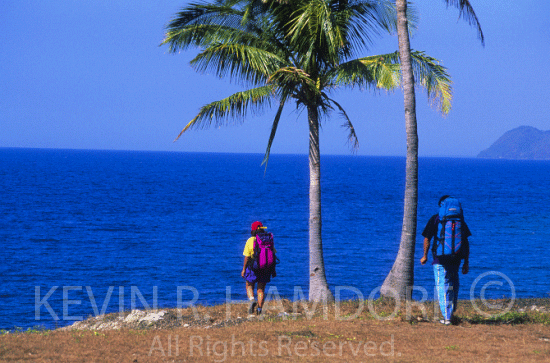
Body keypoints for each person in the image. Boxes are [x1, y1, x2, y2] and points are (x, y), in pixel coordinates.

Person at [420, 195, 470, 325]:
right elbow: (465, 241)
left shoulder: (436, 219)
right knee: (454, 286)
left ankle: (447, 318)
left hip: (440, 259)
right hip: (457, 258)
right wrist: (466, 262)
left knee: (442, 286)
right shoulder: (460, 220)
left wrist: (424, 255)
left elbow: (427, 238)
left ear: (441, 206)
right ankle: (451, 315)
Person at [241, 221, 276, 315]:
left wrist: (244, 269)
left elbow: (247, 257)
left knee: (249, 285)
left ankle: (252, 300)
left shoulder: (250, 240)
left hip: (253, 267)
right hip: (266, 268)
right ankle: (259, 309)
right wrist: (273, 270)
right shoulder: (268, 239)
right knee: (261, 289)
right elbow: (273, 254)